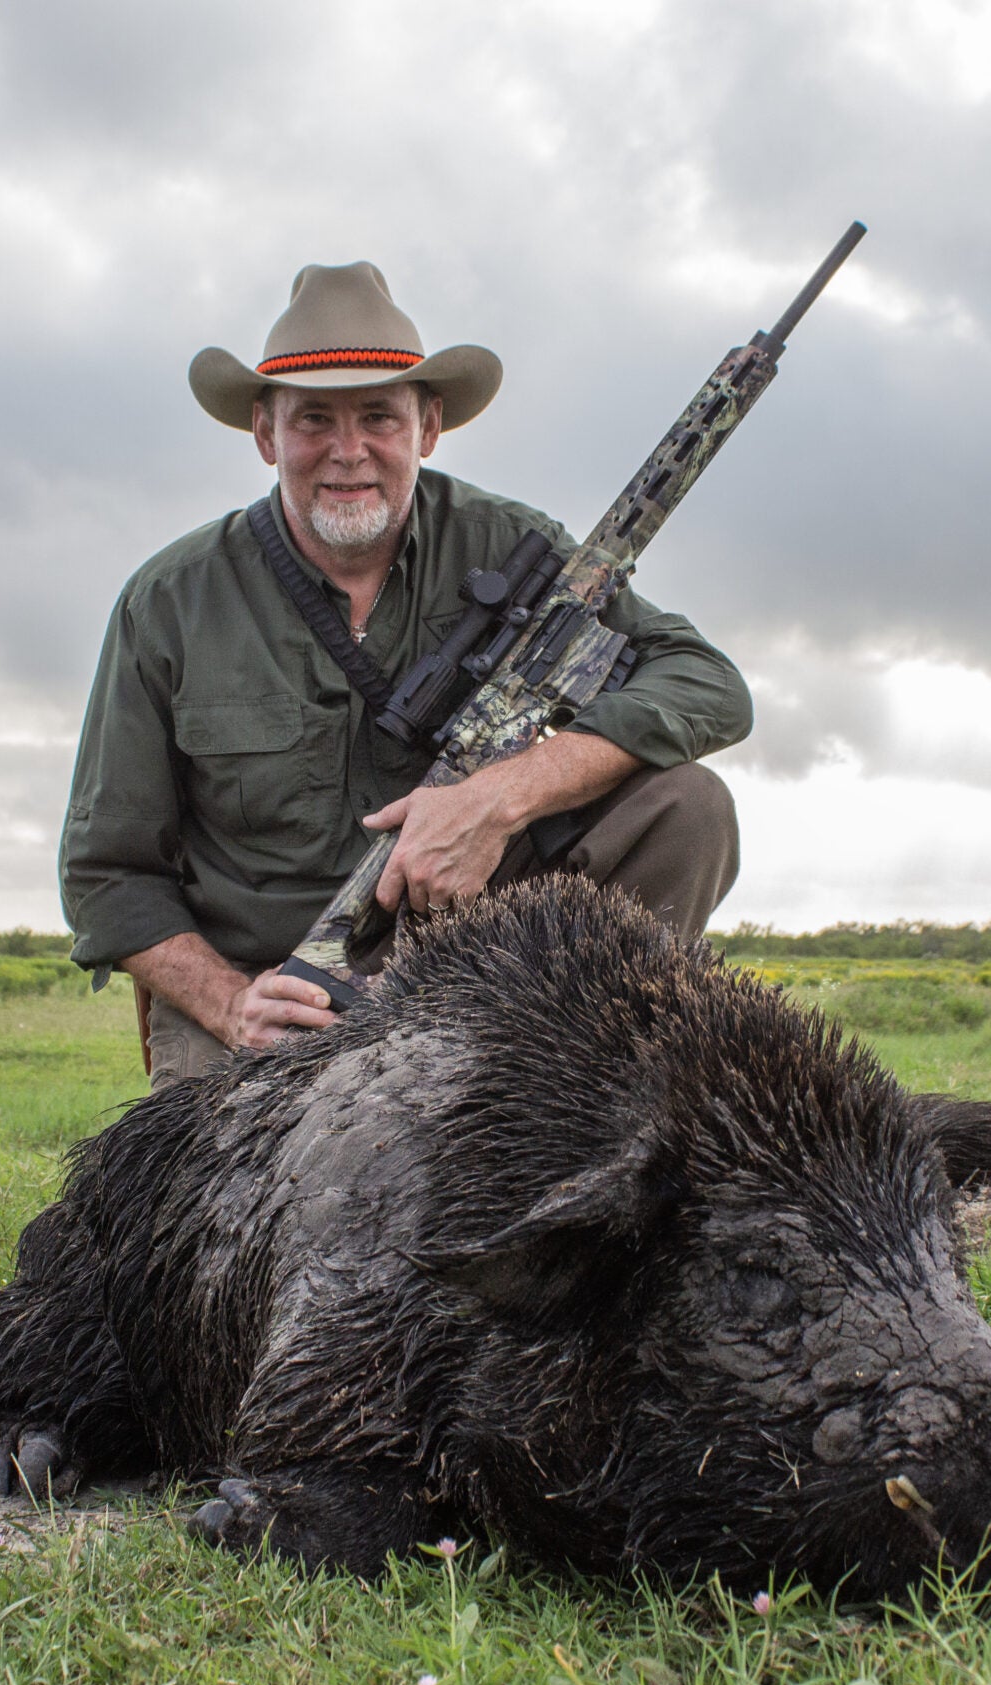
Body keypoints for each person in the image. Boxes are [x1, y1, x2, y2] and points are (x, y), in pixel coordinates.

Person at [61, 261, 752, 1086]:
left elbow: (708, 683)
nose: (348, 451)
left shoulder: (514, 548)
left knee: (689, 804)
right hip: (269, 994)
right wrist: (230, 1002)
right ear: (265, 434)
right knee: (216, 1170)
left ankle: (578, 1072)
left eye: (379, 417)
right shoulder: (168, 601)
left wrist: (500, 797)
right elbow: (105, 873)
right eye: (314, 418)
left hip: (485, 967)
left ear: (428, 427)